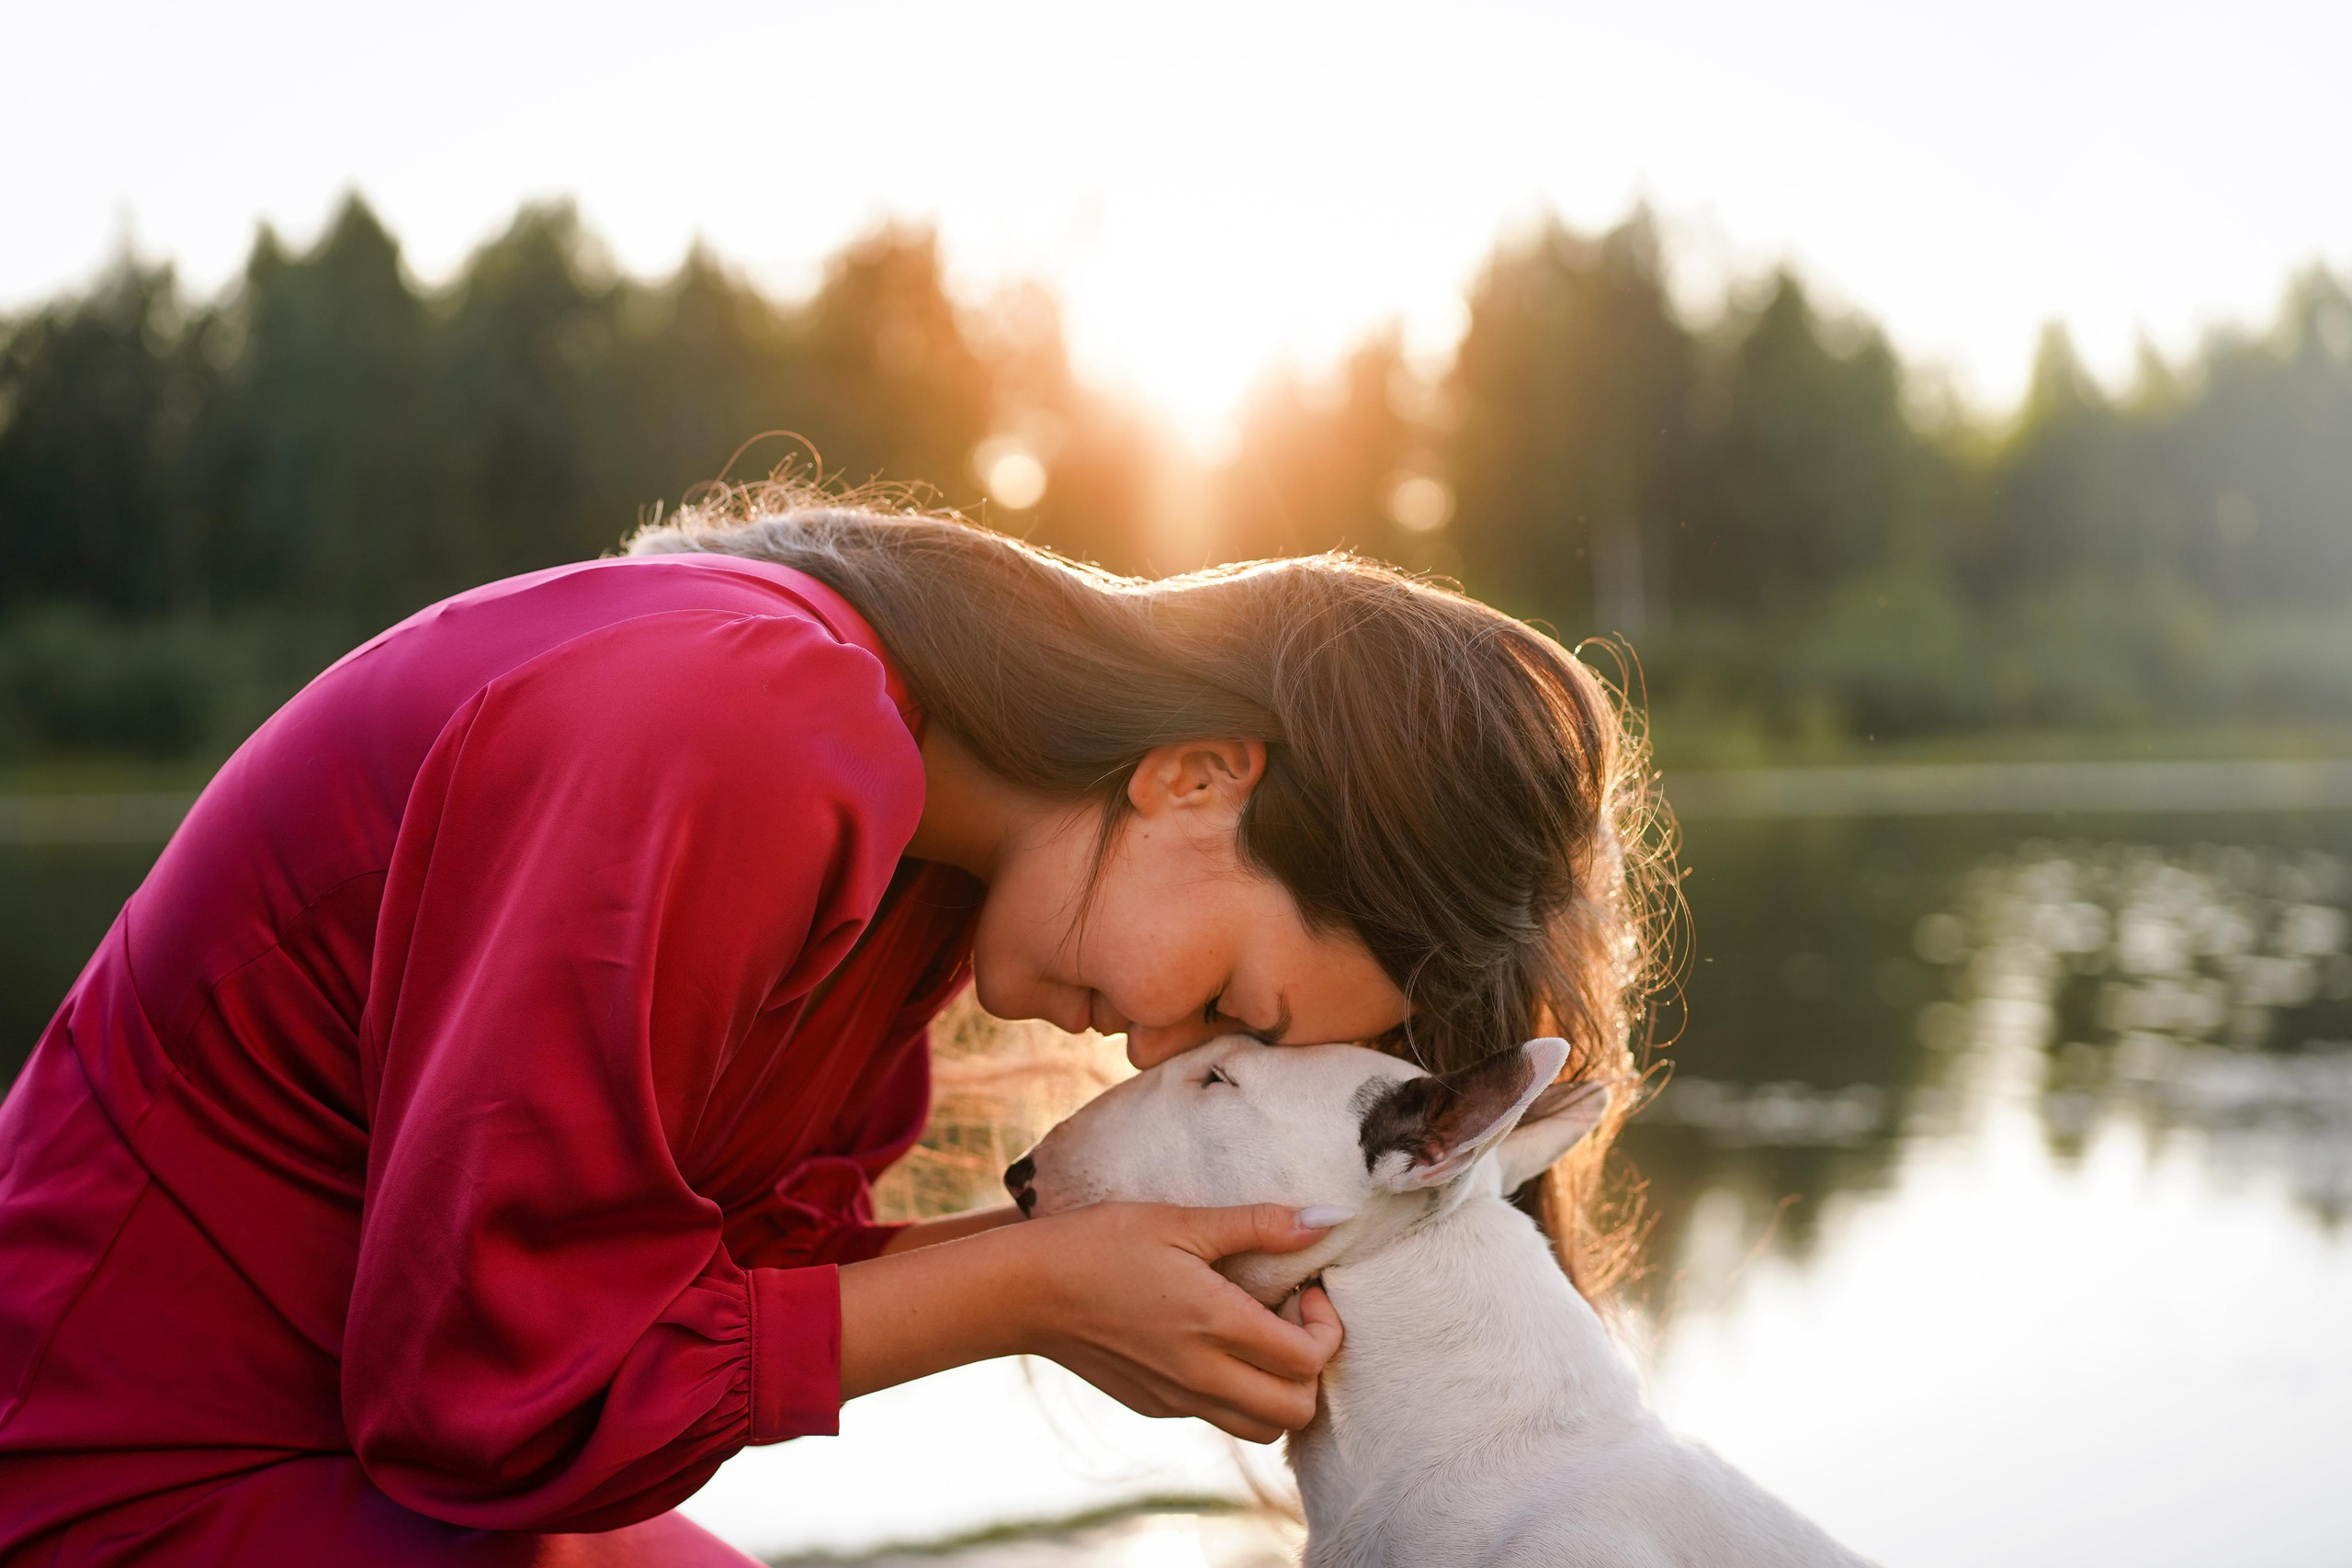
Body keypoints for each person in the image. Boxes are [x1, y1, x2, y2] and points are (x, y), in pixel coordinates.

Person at [0, 491, 1655, 1565]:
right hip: (116, 1474)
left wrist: (1073, 1306)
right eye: (1227, 1002)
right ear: (1198, 774)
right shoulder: (742, 722)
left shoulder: (920, 870)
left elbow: (691, 1302)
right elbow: (474, 1393)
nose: (1156, 1051)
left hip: (373, 1476)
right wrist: (1020, 1286)